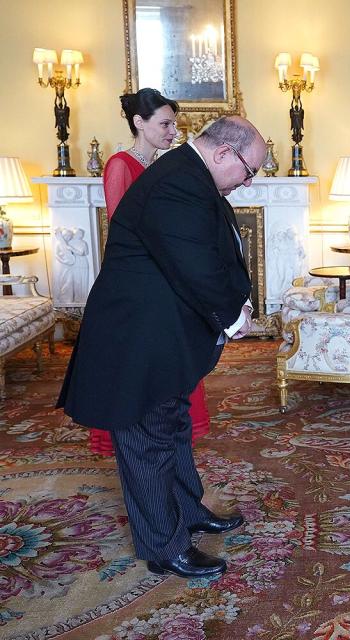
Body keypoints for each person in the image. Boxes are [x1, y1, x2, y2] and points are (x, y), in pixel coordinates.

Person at [57, 116, 266, 580]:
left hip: (159, 333)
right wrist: (234, 318)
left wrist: (241, 300)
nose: (247, 183)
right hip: (137, 338)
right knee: (148, 439)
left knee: (171, 427)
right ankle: (163, 546)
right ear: (222, 154)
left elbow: (214, 252)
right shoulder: (179, 181)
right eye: (249, 171)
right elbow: (195, 265)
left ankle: (187, 512)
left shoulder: (189, 176)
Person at [90, 88, 216, 457]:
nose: (172, 130)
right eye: (165, 124)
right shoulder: (119, 165)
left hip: (166, 278)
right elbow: (124, 232)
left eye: (173, 123)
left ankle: (167, 448)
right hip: (140, 283)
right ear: (138, 123)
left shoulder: (161, 165)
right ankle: (143, 458)